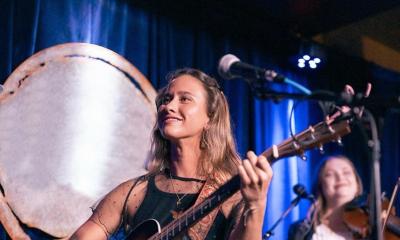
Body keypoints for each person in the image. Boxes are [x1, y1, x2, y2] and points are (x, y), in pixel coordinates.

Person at [70, 68, 273, 240]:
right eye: (167, 99)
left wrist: (256, 205)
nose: (169, 106)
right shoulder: (135, 192)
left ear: (210, 118)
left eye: (185, 99)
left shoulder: (231, 192)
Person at [288, 155, 364, 240]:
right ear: (320, 186)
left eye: (346, 172)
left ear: (357, 184)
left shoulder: (371, 227)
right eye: (329, 174)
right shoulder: (300, 231)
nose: (340, 177)